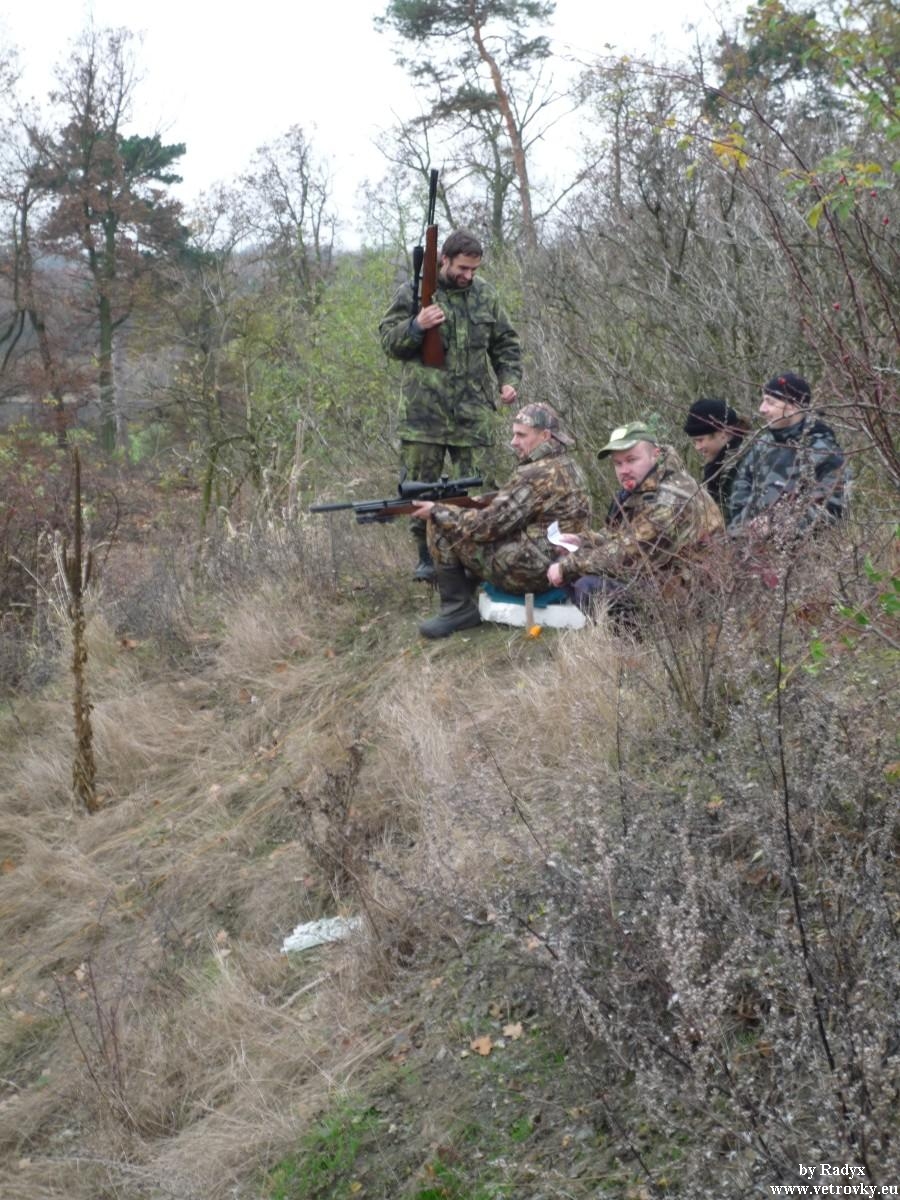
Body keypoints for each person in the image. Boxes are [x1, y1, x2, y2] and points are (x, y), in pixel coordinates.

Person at [379, 230, 523, 582]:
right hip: (423, 415)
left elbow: (505, 342)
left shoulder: (486, 295)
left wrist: (508, 380)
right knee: (419, 487)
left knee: (477, 491)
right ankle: (427, 559)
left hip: (473, 413)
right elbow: (388, 342)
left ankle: (476, 559)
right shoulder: (413, 293)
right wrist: (416, 325)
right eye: (462, 268)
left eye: (474, 269)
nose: (468, 275)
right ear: (444, 260)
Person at [409, 404, 591, 639]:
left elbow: (487, 526)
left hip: (534, 572)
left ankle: (457, 609)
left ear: (545, 436)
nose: (514, 442)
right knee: (460, 521)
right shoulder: (568, 464)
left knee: (440, 523)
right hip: (564, 565)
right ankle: (466, 593)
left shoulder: (534, 473)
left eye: (521, 435)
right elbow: (520, 509)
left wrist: (438, 510)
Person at [546, 421, 724, 619]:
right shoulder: (646, 486)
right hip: (667, 578)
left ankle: (641, 637)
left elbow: (630, 551)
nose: (624, 470)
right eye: (618, 463)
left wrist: (569, 566)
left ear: (655, 454)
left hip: (698, 597)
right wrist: (583, 541)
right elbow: (622, 536)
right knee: (570, 562)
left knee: (589, 586)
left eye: (631, 460)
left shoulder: (670, 497)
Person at [727, 373, 847, 539]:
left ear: (793, 406)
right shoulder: (763, 443)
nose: (762, 409)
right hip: (747, 548)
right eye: (763, 401)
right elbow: (741, 487)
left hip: (798, 552)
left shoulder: (824, 452)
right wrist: (742, 529)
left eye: (770, 402)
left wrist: (775, 527)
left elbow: (832, 509)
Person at [682, 397, 749, 517]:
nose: (697, 447)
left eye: (700, 440)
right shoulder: (718, 464)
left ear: (723, 434)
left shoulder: (738, 468)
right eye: (695, 442)